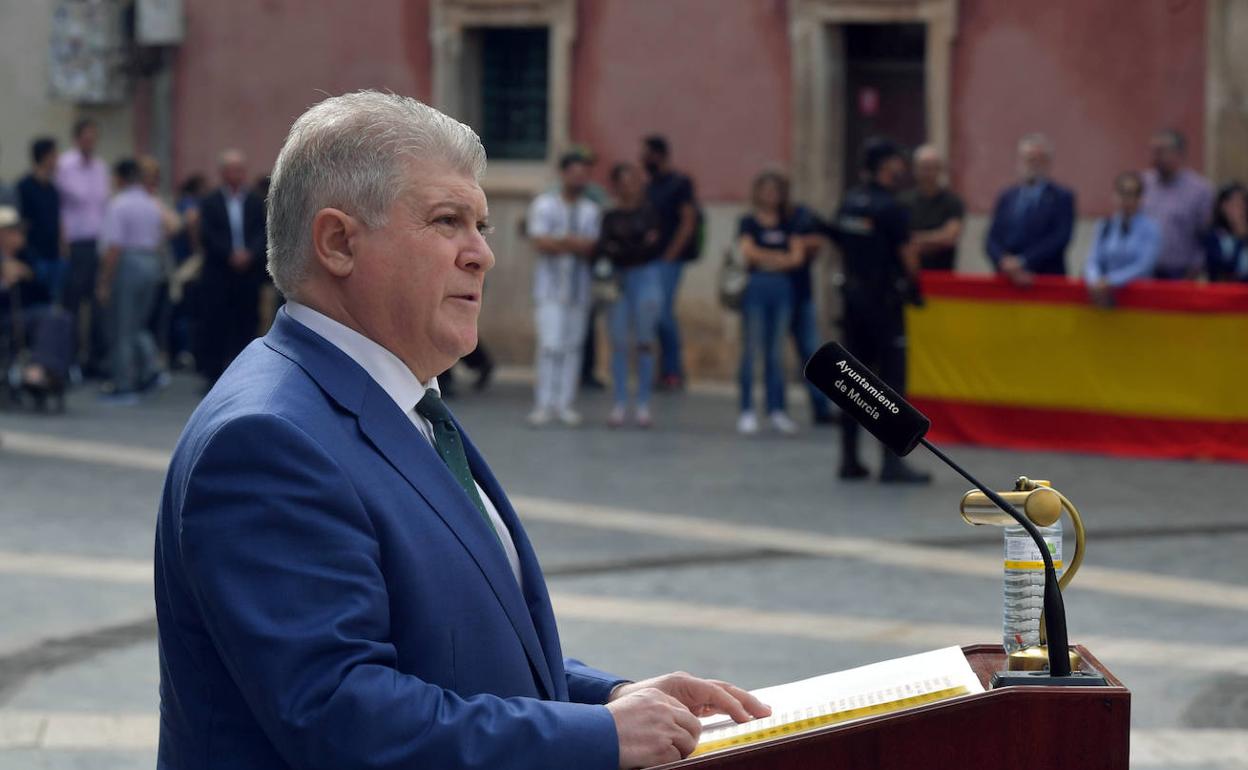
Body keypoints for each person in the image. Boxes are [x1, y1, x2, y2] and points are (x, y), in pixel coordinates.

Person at [154, 90, 768, 770]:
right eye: (448, 221)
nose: (482, 255)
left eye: (482, 226)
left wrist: (608, 698)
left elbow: (451, 647)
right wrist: (603, 737)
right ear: (337, 242)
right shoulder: (268, 441)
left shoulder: (398, 399)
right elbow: (342, 716)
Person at [830, 139, 930, 484]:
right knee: (891, 383)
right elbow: (908, 255)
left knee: (852, 379)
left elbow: (840, 245)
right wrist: (916, 289)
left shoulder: (850, 202)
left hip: (854, 300)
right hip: (884, 304)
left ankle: (848, 458)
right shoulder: (890, 207)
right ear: (885, 166)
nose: (900, 169)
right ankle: (892, 462)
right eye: (895, 163)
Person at [526, 152, 601, 427]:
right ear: (563, 174)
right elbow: (540, 241)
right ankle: (544, 403)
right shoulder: (545, 205)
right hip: (550, 289)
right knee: (549, 345)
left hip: (579, 289)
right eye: (575, 172)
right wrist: (571, 243)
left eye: (584, 173)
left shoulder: (591, 210)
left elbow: (592, 246)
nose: (579, 178)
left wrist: (563, 243)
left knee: (572, 347)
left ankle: (564, 403)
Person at [95, 158, 177, 403]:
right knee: (139, 324)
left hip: (128, 263)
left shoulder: (119, 204)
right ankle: (150, 371)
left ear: (121, 179)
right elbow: (170, 228)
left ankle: (125, 385)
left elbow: (114, 247)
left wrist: (104, 281)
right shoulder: (151, 204)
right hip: (151, 262)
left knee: (123, 327)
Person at [735, 171, 804, 436]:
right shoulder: (748, 222)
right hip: (756, 287)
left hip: (782, 288)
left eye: (775, 191)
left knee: (776, 353)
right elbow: (747, 252)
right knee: (751, 349)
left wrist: (767, 258)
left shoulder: (789, 222)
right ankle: (746, 409)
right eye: (765, 190)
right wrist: (779, 257)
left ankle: (776, 409)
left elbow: (797, 257)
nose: (770, 195)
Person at [597, 162, 663, 428]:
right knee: (619, 341)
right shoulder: (610, 216)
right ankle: (621, 401)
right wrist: (632, 245)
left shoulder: (650, 213)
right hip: (618, 280)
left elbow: (652, 246)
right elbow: (605, 247)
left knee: (645, 340)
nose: (628, 187)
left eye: (632, 181)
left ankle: (644, 402)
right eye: (622, 181)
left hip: (645, 276)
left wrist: (622, 246)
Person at [195, 149, 267, 387]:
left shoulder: (256, 201)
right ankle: (213, 374)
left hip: (248, 272)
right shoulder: (210, 201)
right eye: (233, 170)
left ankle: (244, 374)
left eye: (241, 170)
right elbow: (207, 233)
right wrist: (230, 254)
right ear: (223, 173)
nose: (238, 175)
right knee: (216, 321)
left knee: (246, 321)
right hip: (219, 271)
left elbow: (262, 231)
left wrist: (250, 254)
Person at [56, 117, 111, 376]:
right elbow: (61, 206)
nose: (91, 141)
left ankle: (94, 359)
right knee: (73, 303)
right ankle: (70, 358)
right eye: (86, 137)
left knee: (97, 303)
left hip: (97, 241)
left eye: (94, 137)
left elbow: (103, 205)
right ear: (77, 138)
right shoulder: (65, 165)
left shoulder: (100, 167)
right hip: (75, 243)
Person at [642, 135, 698, 391]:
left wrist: (671, 254)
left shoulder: (680, 184)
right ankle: (662, 370)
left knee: (663, 315)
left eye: (646, 153)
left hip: (668, 260)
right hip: (649, 260)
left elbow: (688, 221)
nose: (642, 159)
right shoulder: (649, 185)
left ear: (659, 154)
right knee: (653, 315)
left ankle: (673, 371)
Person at [985, 133, 1076, 285]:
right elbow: (992, 238)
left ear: (1048, 162)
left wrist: (1023, 262)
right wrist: (1004, 262)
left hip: (1044, 280)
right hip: (1006, 280)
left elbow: (1060, 238)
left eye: (1038, 159)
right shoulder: (1007, 196)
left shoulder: (1062, 197)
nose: (1033, 164)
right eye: (1028, 159)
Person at [785, 204, 834, 427]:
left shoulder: (801, 215)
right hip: (773, 295)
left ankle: (821, 406)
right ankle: (777, 409)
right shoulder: (757, 218)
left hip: (801, 293)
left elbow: (817, 242)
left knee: (812, 350)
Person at [1142, 129, 1214, 280]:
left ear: (1180, 154)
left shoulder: (1200, 191)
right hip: (1143, 272)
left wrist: (1194, 270)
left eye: (1161, 151)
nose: (1156, 157)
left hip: (1180, 274)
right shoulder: (1143, 184)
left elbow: (1205, 236)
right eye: (1154, 151)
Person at [1084, 172, 1161, 308]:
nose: (1126, 199)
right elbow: (1093, 260)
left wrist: (1111, 281)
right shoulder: (1105, 225)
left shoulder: (1151, 229)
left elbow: (1143, 266)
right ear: (1115, 196)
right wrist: (1095, 280)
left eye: (1131, 194)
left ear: (1140, 198)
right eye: (1122, 193)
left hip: (1138, 300)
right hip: (1105, 298)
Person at [901, 144, 964, 271]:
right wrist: (934, 239)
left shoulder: (953, 202)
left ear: (940, 170)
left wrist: (916, 240)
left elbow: (949, 237)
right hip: (909, 273)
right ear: (915, 170)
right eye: (924, 168)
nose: (928, 173)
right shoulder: (903, 201)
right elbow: (900, 239)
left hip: (942, 274)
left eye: (932, 168)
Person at [16, 137, 63, 307]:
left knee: (53, 303)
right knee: (35, 303)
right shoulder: (24, 187)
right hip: (35, 256)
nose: (57, 159)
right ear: (45, 157)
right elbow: (21, 223)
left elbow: (57, 221)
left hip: (54, 256)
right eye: (54, 155)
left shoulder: (52, 189)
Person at [0, 206, 33, 409]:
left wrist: (26, 273)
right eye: (13, 231)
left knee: (56, 319)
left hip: (19, 317)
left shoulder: (26, 255)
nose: (19, 236)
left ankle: (39, 374)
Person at [1205, 183, 1248, 282]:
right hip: (1224, 291)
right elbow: (1221, 272)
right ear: (1222, 206)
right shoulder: (1215, 236)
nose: (1237, 210)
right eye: (1232, 204)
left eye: (1241, 204)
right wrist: (1239, 239)